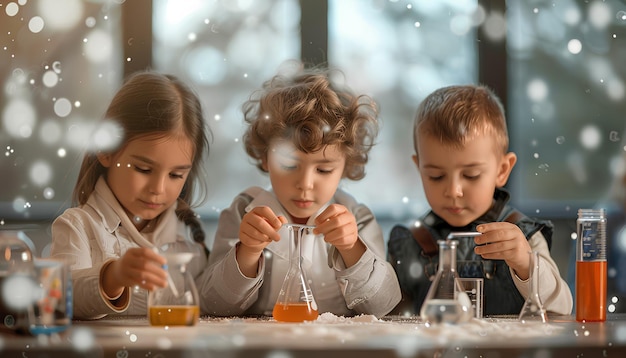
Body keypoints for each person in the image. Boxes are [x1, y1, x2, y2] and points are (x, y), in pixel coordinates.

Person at [197, 65, 401, 318]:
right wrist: (248, 252)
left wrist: (351, 248)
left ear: (346, 165)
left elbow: (383, 305)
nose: (305, 183)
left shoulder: (357, 219)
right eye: (289, 165)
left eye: (324, 170)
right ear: (264, 157)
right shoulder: (243, 212)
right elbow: (213, 306)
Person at [388, 84, 573, 316]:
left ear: (502, 170)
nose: (454, 191)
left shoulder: (524, 235)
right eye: (436, 176)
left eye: (471, 175)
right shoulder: (409, 242)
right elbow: (389, 320)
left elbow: (563, 308)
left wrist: (525, 263)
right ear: (419, 168)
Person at [50, 71, 211, 320]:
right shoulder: (77, 227)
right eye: (143, 169)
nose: (158, 188)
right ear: (107, 151)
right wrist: (113, 278)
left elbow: (210, 301)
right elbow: (61, 297)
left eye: (176, 175)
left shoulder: (188, 234)